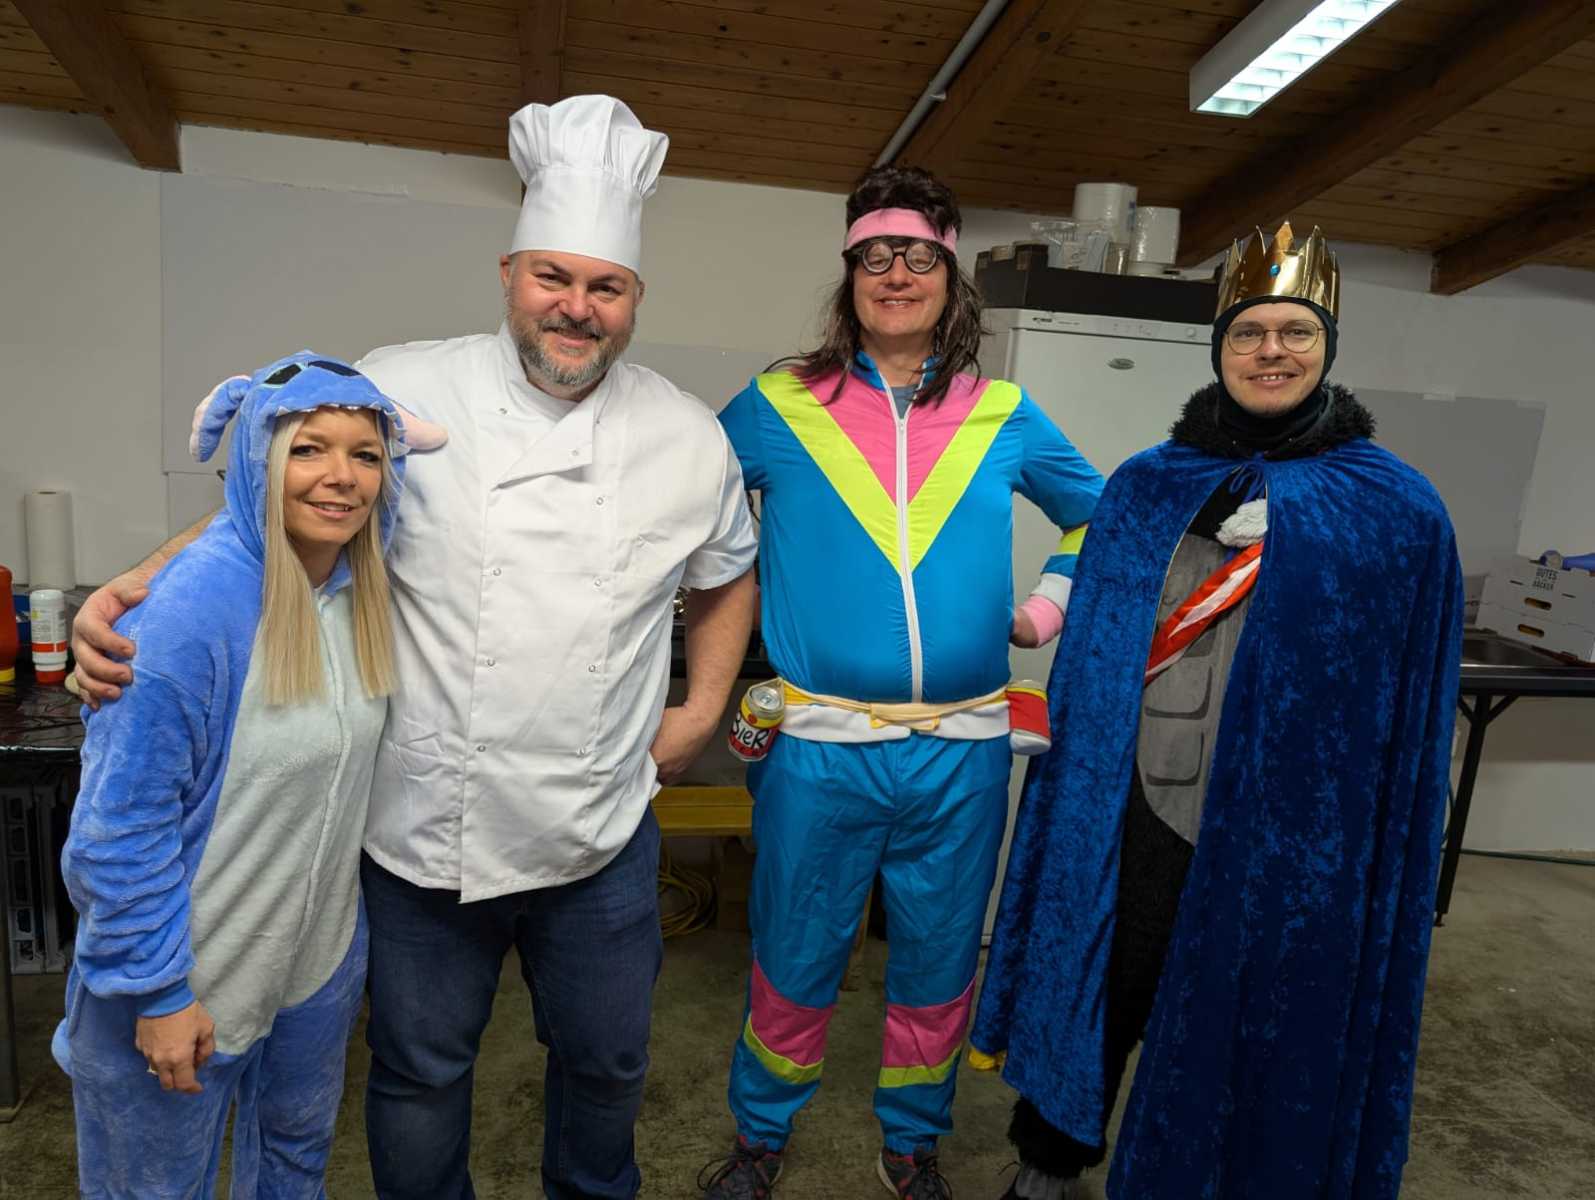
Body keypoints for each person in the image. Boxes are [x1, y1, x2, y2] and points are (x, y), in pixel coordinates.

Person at [70, 95, 758, 1200]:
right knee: (420, 1073)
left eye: (606, 287)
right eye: (552, 277)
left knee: (606, 1067)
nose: (575, 308)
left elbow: (725, 571)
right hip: (425, 832)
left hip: (600, 831)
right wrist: (137, 586)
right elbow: (286, 485)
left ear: (634, 299)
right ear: (508, 274)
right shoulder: (403, 384)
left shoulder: (686, 435)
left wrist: (700, 709)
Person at [970, 224, 1464, 1200]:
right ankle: (1048, 1159)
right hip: (1139, 801)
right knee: (1108, 978)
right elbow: (1095, 659)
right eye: (1248, 333)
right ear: (1218, 348)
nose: (1270, 351)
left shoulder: (1393, 509)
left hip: (1290, 832)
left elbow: (1401, 694)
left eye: (1295, 331)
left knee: (1250, 1014)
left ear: (1325, 347)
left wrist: (1308, 544)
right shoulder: (1148, 488)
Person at [700, 166, 1104, 1200]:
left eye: (918, 256)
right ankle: (759, 1135)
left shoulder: (1001, 411)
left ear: (948, 276)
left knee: (938, 961)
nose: (895, 274)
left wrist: (1042, 612)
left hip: (963, 751)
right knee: (793, 952)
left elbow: (1100, 520)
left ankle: (913, 1141)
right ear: (848, 275)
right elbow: (677, 500)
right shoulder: (778, 404)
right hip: (818, 748)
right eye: (874, 256)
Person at [54, 353, 423, 1198]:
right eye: (307, 449)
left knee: (294, 1170)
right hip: (187, 978)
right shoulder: (189, 614)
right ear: (258, 459)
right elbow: (119, 832)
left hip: (309, 969)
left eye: (365, 455)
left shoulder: (358, 590)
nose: (341, 477)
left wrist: (335, 971)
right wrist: (156, 992)